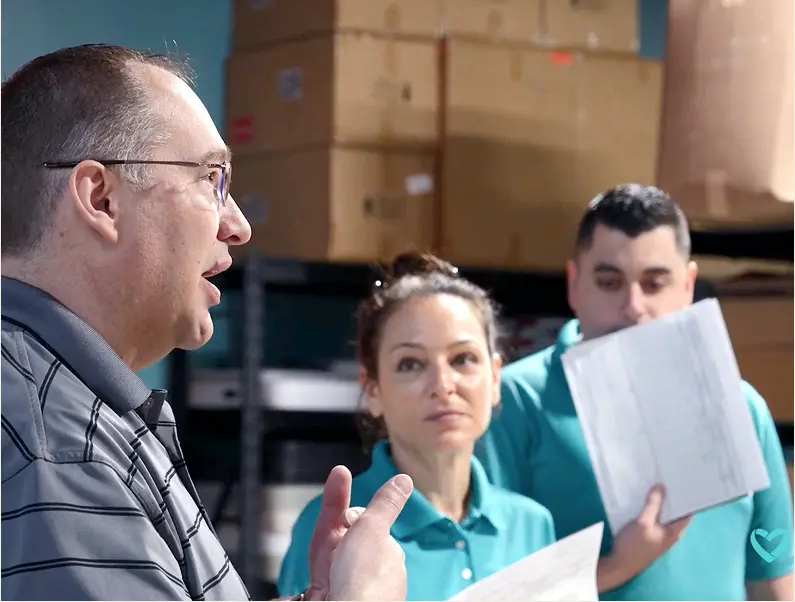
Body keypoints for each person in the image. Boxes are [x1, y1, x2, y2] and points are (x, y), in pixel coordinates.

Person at [1, 44, 413, 602]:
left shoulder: (65, 408)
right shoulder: (59, 452)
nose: (238, 225)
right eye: (211, 179)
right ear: (101, 198)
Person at [476, 184, 795, 601]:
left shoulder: (741, 406)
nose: (633, 306)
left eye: (654, 283)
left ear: (687, 286)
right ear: (574, 285)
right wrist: (615, 566)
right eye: (610, 283)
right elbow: (488, 586)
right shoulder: (512, 403)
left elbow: (770, 568)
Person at [277, 252, 557, 601]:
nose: (443, 384)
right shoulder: (334, 529)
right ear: (373, 390)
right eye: (410, 364)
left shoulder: (532, 525)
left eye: (463, 359)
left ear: (496, 377)